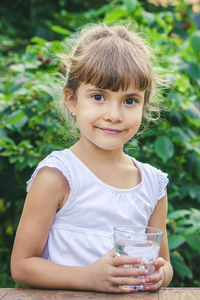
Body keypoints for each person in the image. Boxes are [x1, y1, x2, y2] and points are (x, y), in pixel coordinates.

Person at [11, 23, 173, 293]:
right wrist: (89, 277)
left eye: (130, 100)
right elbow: (22, 266)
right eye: (99, 97)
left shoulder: (152, 185)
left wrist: (161, 275)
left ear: (145, 106)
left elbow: (164, 263)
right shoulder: (57, 176)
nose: (114, 114)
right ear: (72, 101)